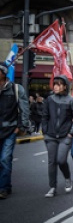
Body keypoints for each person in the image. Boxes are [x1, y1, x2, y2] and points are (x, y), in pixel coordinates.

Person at [42, 75, 73, 198]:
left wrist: (71, 133)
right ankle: (52, 187)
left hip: (65, 135)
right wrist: (45, 132)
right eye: (54, 84)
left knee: (61, 160)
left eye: (59, 84)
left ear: (65, 86)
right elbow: (44, 116)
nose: (55, 87)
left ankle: (67, 177)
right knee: (51, 162)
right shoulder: (49, 99)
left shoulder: (71, 100)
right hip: (51, 136)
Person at [0, 63, 29, 199]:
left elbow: (24, 109)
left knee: (5, 159)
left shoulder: (16, 89)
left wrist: (20, 127)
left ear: (4, 73)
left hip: (10, 130)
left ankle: (4, 188)